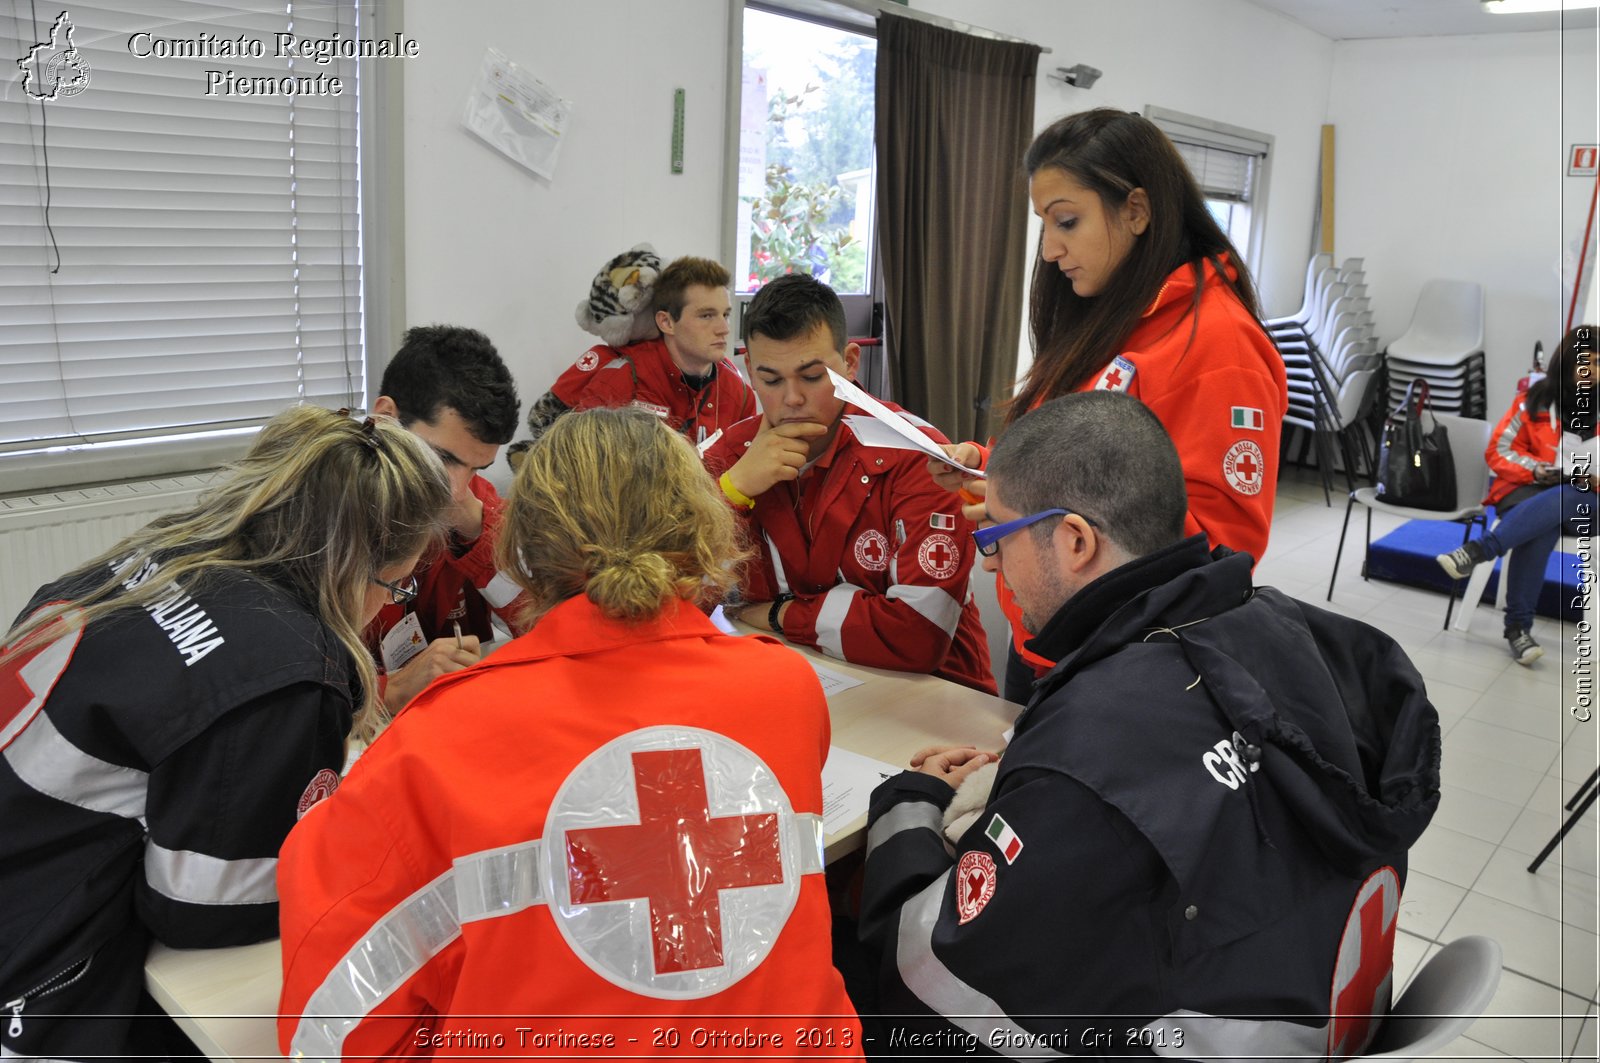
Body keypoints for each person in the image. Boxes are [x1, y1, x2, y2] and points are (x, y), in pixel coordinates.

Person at [860, 392, 1440, 1057]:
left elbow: (932, 994)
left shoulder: (1091, 744)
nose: (989, 563)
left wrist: (908, 803)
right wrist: (1027, 792)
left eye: (994, 535)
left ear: (1075, 540)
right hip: (1307, 1009)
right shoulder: (1285, 625)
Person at [277, 408, 862, 1058]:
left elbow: (330, 1024)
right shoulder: (785, 687)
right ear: (701, 528)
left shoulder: (446, 732)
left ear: (525, 548)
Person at [0, 407, 450, 1061]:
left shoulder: (166, 549)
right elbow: (194, 910)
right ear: (352, 560)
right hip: (44, 966)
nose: (388, 602)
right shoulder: (286, 669)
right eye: (394, 582)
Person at [930, 108, 1287, 702]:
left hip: (1125, 660)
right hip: (1053, 636)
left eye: (1066, 221)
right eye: (1044, 224)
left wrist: (1043, 520)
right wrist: (994, 472)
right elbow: (1085, 460)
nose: (1048, 250)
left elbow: (1221, 551)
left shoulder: (1218, 342)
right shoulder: (1111, 316)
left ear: (1137, 210)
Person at [704, 274, 995, 694]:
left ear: (850, 363)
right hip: (792, 680)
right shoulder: (729, 457)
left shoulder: (919, 454)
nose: (792, 399)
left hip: (936, 699)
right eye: (770, 380)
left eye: (811, 376)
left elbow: (916, 635)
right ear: (748, 370)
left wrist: (777, 614)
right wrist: (731, 492)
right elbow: (666, 594)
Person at [367, 324, 524, 711]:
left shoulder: (474, 505)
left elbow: (545, 622)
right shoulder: (318, 511)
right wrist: (389, 690)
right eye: (443, 459)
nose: (455, 488)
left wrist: (476, 534)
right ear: (385, 418)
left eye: (477, 468)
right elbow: (282, 684)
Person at [1437, 325, 1596, 664]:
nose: (1591, 371)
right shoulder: (1535, 401)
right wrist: (1537, 470)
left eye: (1599, 363)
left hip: (1589, 502)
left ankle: (1482, 550)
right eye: (1585, 361)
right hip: (1532, 492)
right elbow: (1499, 450)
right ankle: (1518, 630)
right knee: (1544, 524)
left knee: (1568, 494)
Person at [525, 255, 757, 449]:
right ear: (666, 322)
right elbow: (587, 479)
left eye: (724, 314)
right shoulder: (620, 381)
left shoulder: (740, 392)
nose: (724, 329)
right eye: (706, 316)